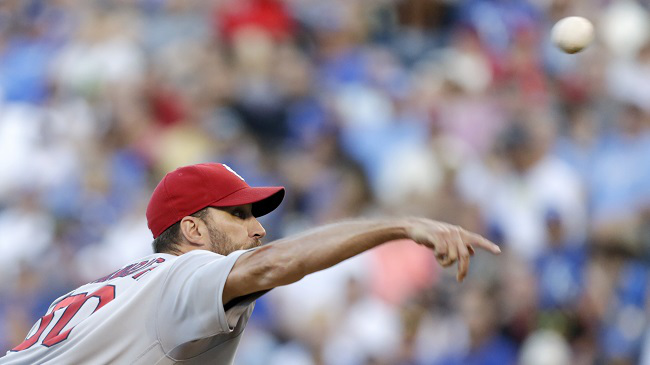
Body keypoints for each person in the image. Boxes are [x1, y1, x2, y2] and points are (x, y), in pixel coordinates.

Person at [0, 162, 501, 364]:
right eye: (238, 214)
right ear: (192, 230)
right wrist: (398, 227)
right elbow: (270, 265)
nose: (257, 228)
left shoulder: (98, 290)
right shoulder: (183, 274)